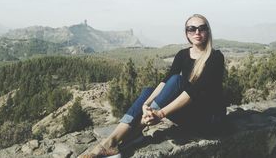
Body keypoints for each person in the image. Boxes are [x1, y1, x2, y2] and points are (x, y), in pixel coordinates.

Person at [81, 14, 225, 158]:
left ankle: (114, 142)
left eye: (202, 28)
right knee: (149, 91)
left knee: (177, 80)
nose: (197, 32)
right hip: (189, 112)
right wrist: (146, 104)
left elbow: (193, 91)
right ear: (186, 33)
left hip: (209, 120)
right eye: (192, 29)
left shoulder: (215, 57)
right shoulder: (182, 54)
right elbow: (165, 81)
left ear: (208, 31)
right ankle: (117, 139)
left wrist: (160, 114)